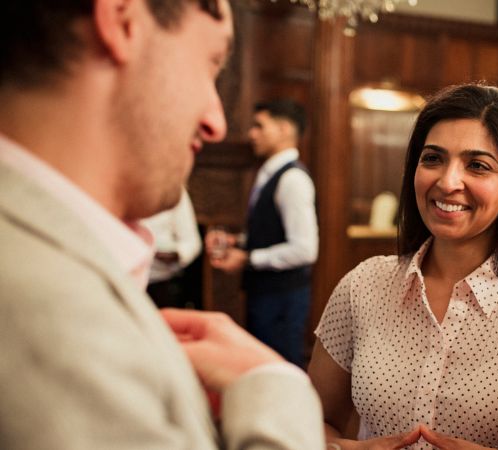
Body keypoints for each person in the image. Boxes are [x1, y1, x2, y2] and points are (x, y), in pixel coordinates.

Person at [0, 1, 323, 448]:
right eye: (211, 63)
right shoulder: (44, 306)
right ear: (123, 19)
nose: (217, 122)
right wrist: (275, 386)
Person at [308, 83, 498, 450]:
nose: (447, 182)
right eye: (433, 158)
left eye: (478, 166)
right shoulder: (363, 285)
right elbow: (313, 423)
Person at [207, 99, 319, 368]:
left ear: (283, 129)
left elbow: (305, 249)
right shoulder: (269, 173)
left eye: (259, 126)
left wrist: (246, 259)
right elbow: (273, 233)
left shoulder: (292, 179)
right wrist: (237, 241)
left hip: (282, 300)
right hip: (266, 296)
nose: (251, 134)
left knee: (280, 370)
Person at [142, 188, 202, 309]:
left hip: (161, 282)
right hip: (121, 282)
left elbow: (192, 242)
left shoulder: (174, 190)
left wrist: (174, 255)